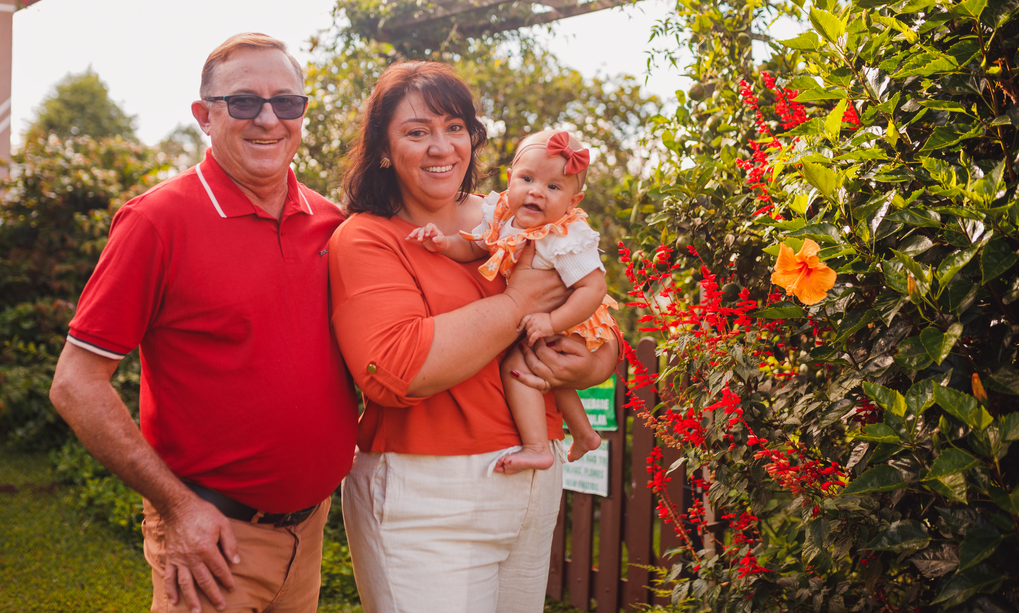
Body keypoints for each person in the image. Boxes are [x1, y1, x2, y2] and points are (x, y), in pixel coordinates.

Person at [48, 33, 357, 613]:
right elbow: (75, 384)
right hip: (213, 536)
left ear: (302, 115)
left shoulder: (332, 223)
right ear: (205, 117)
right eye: (244, 102)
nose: (268, 119)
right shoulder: (156, 222)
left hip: (310, 531)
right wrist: (178, 509)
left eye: (286, 103)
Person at [328, 61, 619, 613]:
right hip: (431, 493)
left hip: (535, 477)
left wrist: (585, 368)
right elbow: (397, 370)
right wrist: (519, 303)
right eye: (417, 132)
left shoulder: (512, 217)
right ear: (385, 149)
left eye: (454, 127)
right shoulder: (367, 238)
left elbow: (600, 330)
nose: (442, 147)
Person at [407, 129, 616, 473]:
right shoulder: (504, 218)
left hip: (570, 319)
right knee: (544, 367)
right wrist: (444, 243)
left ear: (572, 202)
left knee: (517, 367)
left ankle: (537, 448)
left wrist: (553, 322)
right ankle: (583, 433)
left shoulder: (561, 236)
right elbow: (477, 246)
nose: (536, 191)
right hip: (545, 318)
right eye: (527, 178)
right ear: (510, 179)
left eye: (553, 187)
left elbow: (593, 289)